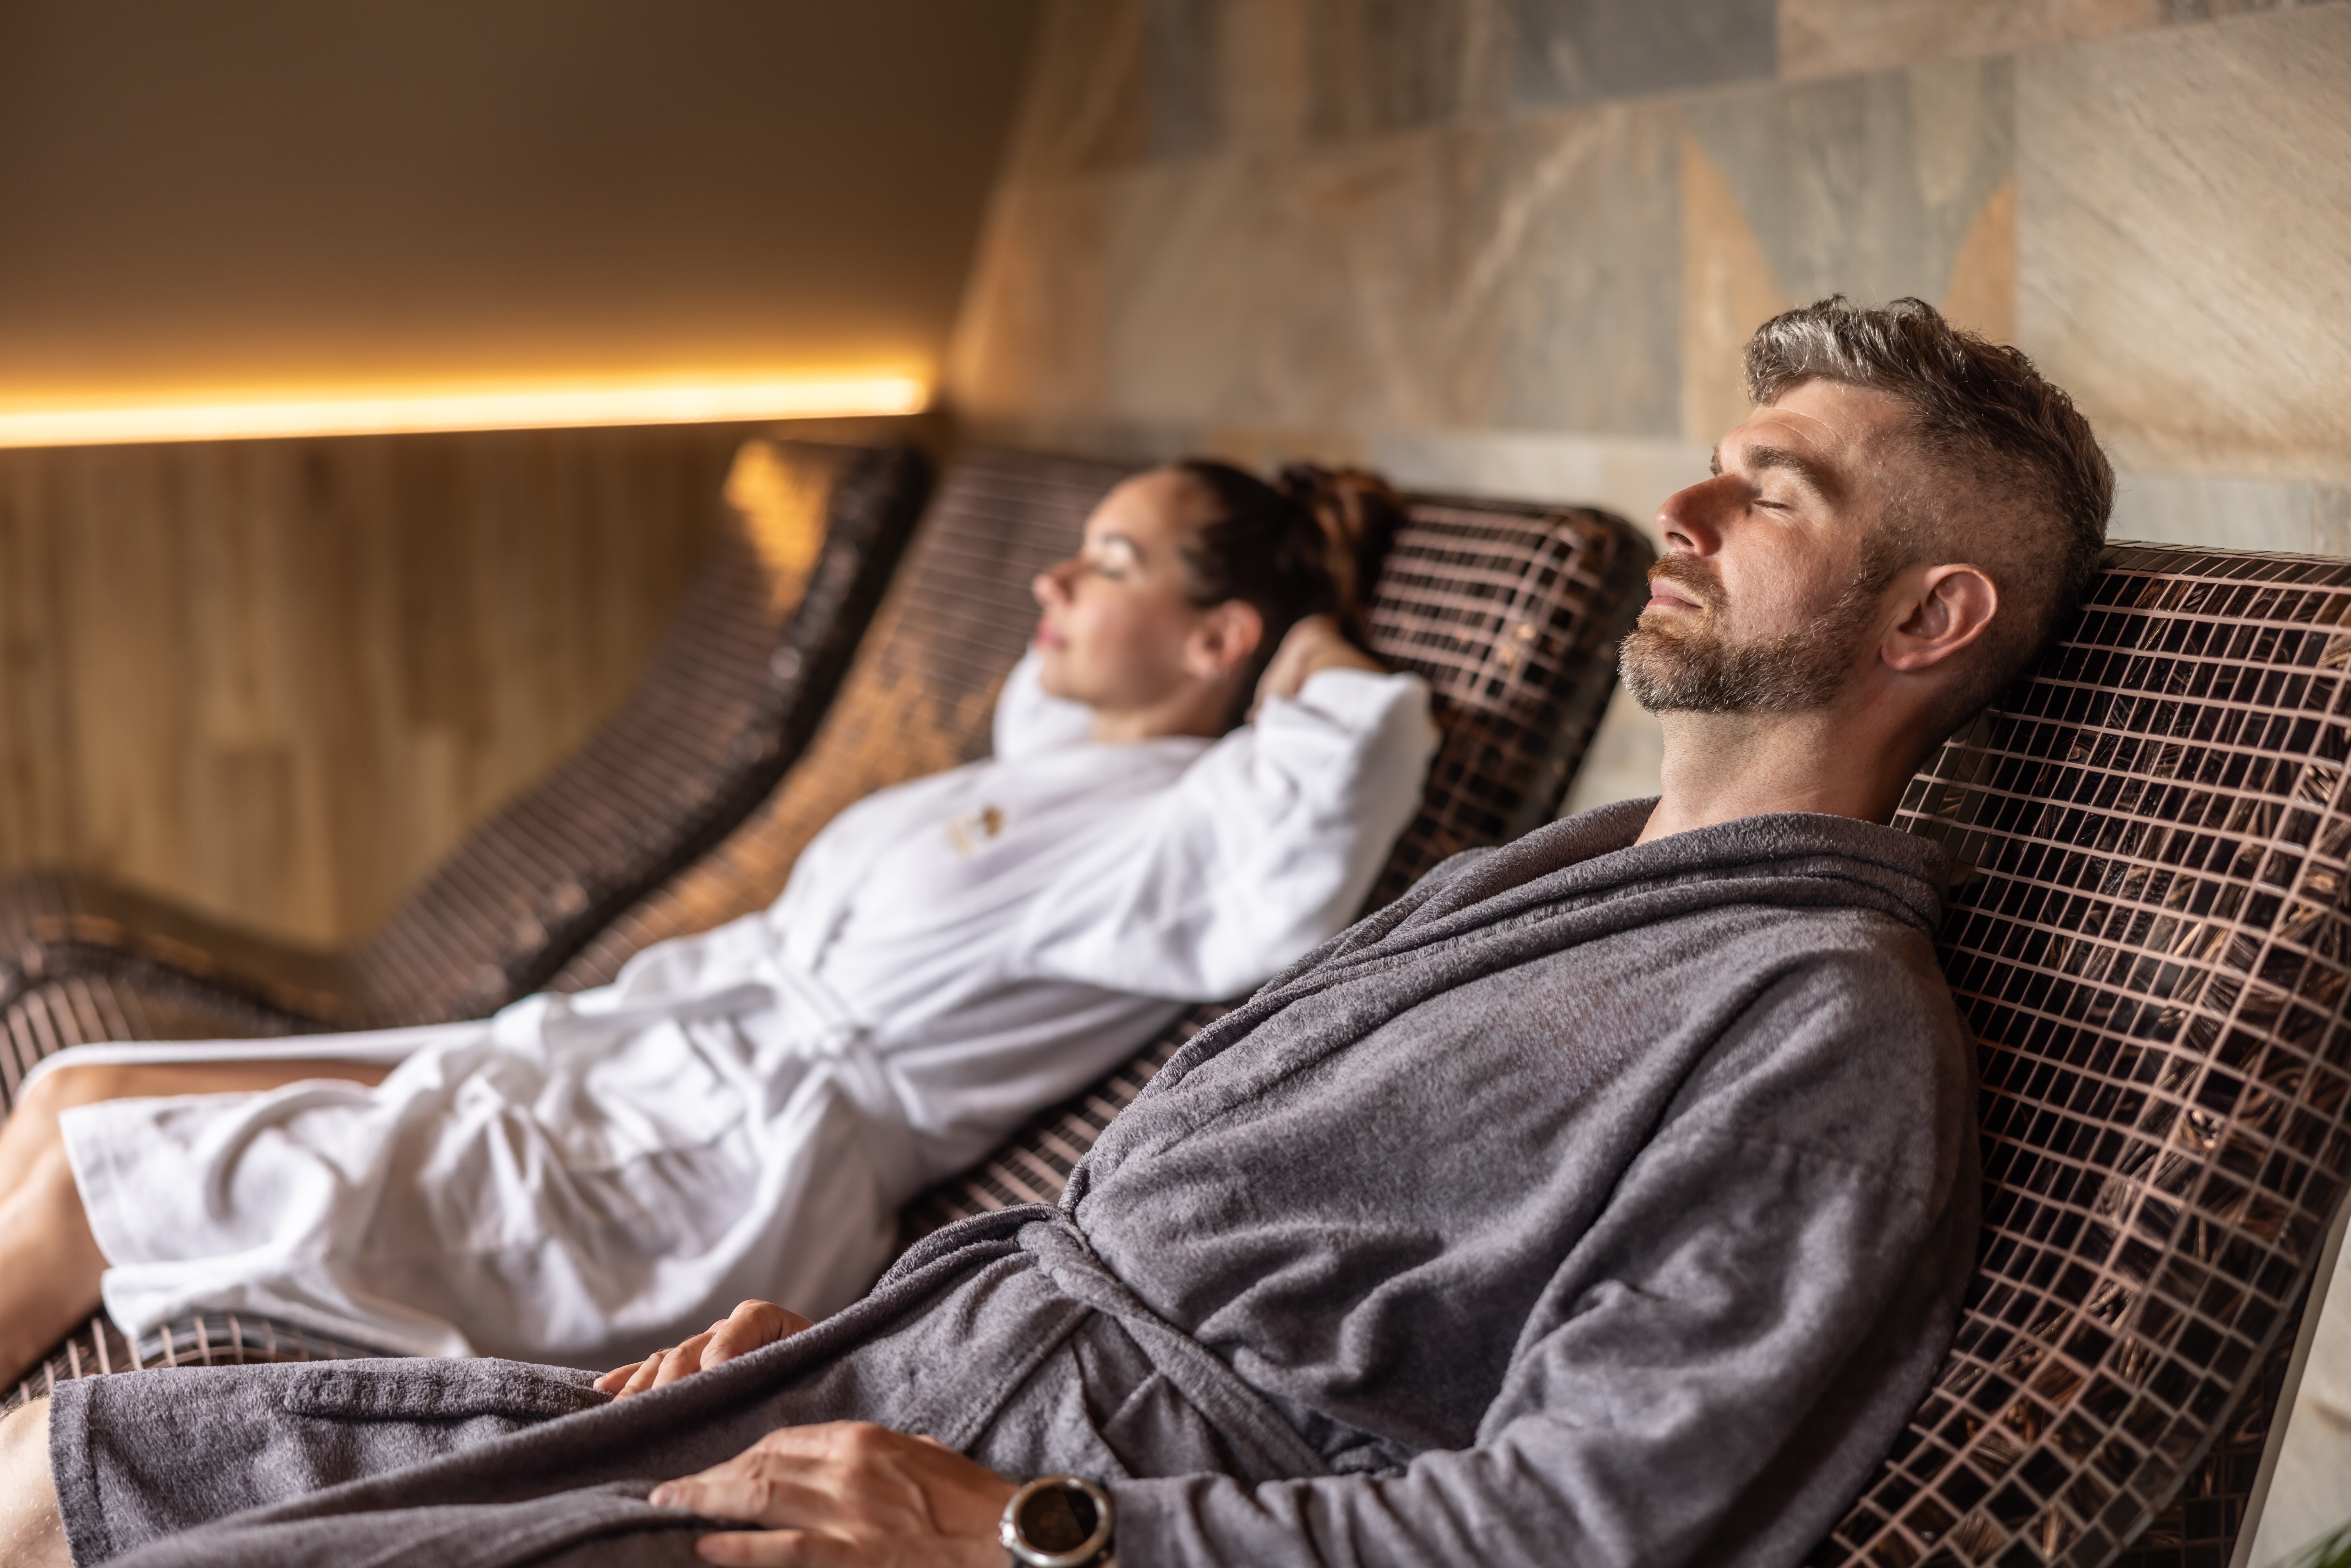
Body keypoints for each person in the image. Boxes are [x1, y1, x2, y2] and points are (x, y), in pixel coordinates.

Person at [0, 296, 2115, 1568]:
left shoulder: (1819, 1034)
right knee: (67, 1473)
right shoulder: (1552, 881)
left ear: (1928, 621)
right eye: (1715, 468)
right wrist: (832, 1344)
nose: (1688, 511)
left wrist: (1012, 1528)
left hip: (1038, 1494)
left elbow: (1587, 1530)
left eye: (1774, 497)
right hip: (894, 1375)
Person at [0, 459, 1440, 1383]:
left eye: (1111, 562)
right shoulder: (1052, 765)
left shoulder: (1191, 828)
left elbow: (1339, 780)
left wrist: (1304, 623)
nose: (1050, 582)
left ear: (1220, 640)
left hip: (712, 1163)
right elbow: (1066, 690)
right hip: (626, 1061)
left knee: (83, 1190)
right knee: (76, 1092)